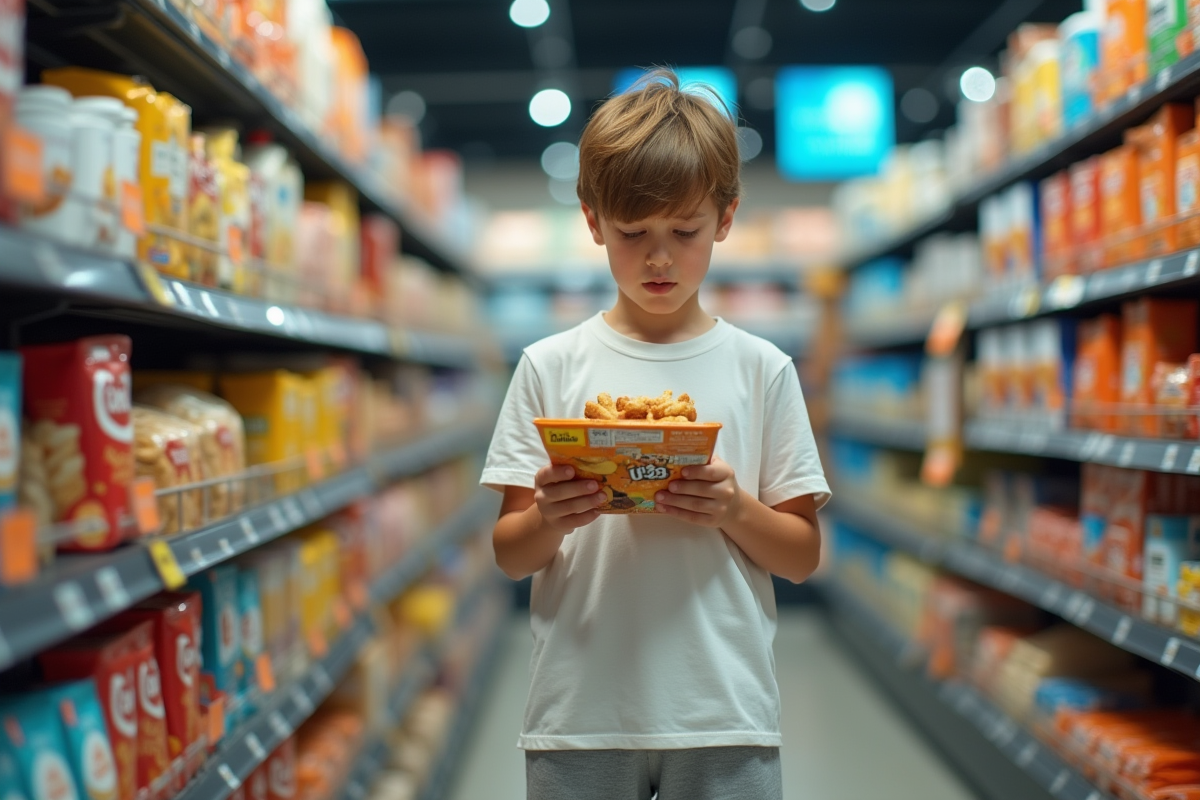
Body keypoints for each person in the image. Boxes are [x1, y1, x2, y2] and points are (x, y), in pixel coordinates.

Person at [481, 69, 830, 800]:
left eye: (685, 231)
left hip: (724, 714)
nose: (660, 258)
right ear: (592, 221)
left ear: (726, 218)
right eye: (633, 233)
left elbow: (801, 555)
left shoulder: (761, 370)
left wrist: (735, 510)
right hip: (580, 714)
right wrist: (549, 517)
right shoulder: (549, 366)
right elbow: (511, 553)